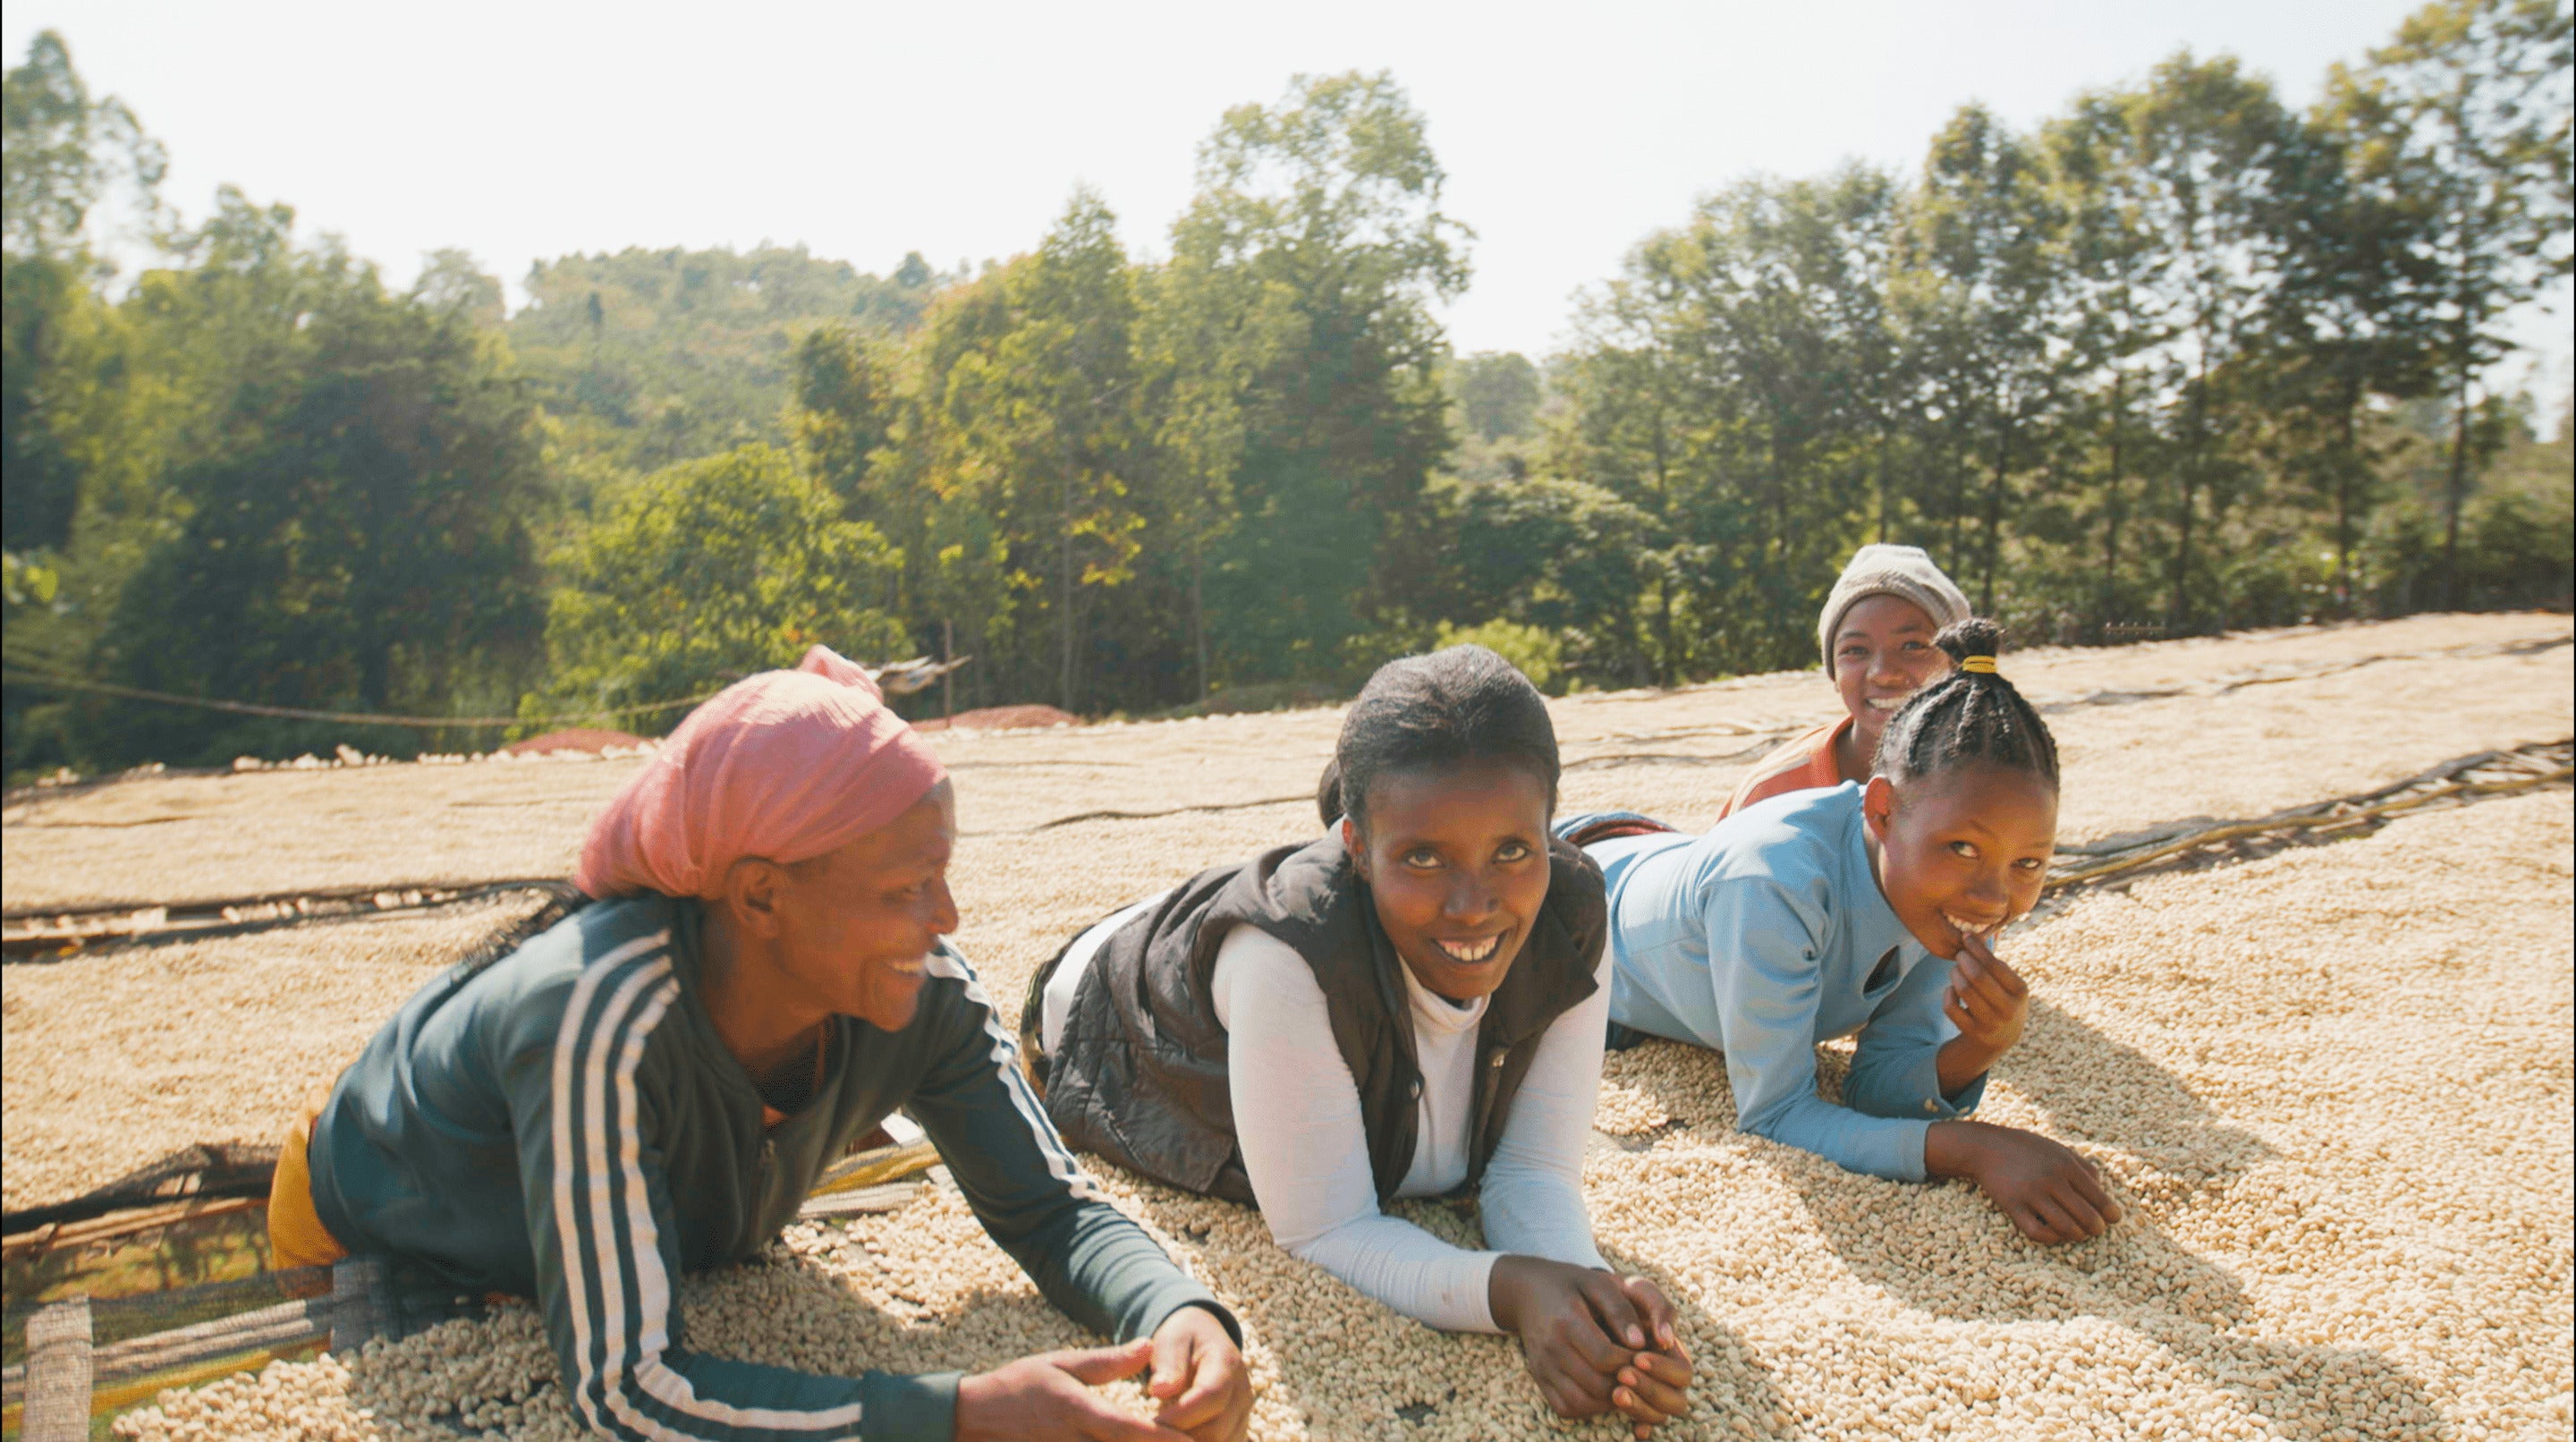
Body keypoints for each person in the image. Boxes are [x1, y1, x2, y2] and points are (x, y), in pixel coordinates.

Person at [266, 647, 1254, 1442]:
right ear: (759, 897)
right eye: (902, 887)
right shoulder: (597, 1021)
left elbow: (1053, 1209)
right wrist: (948, 1415)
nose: (944, 915)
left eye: (941, 874)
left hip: (661, 1226)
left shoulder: (927, 992)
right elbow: (626, 1389)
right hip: (377, 1216)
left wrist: (1179, 1314)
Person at [1028, 647, 1695, 1439]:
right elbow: (1326, 1227)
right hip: (1109, 997)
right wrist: (1515, 1292)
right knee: (1271, 943)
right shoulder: (1286, 958)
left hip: (1251, 924)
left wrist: (1595, 1304)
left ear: (1549, 831)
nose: (1474, 904)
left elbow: (1530, 1169)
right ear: (1355, 843)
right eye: (1423, 856)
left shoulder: (1572, 908)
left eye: (1512, 850)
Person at [1572, 621, 2123, 1245]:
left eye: (2029, 864)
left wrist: (1982, 1046)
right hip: (1564, 899)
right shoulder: (1773, 882)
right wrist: (1972, 1149)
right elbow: (1775, 1115)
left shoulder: (1949, 900)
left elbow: (1876, 1087)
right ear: (1882, 810)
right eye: (1963, 847)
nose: (1996, 896)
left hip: (1669, 911)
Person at [1718, 543, 1970, 819]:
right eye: (1855, 650)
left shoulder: (2003, 781)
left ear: (1956, 664)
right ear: (1833, 672)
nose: (1883, 674)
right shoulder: (1773, 795)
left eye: (1912, 646)